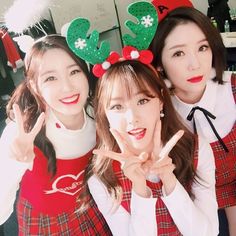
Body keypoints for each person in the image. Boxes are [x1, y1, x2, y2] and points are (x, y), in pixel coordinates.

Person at [86, 59, 218, 236]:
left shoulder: (196, 149)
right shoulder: (102, 178)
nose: (132, 117)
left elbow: (207, 233)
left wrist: (169, 180)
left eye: (142, 101)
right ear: (104, 114)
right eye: (117, 106)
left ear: (161, 101)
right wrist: (139, 187)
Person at [0, 35, 112, 235]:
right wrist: (14, 163)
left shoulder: (99, 115)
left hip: (93, 210)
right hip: (45, 223)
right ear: (34, 86)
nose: (67, 87)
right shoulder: (22, 133)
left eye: (74, 71)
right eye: (51, 77)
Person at [149, 6, 236, 236]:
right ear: (159, 64)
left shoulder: (232, 91)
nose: (195, 64)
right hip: (190, 211)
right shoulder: (153, 108)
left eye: (203, 47)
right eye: (178, 53)